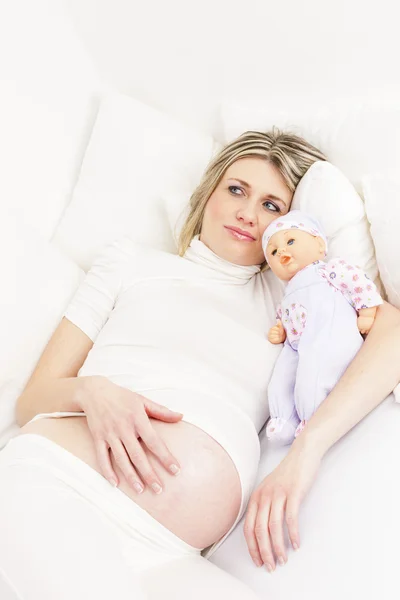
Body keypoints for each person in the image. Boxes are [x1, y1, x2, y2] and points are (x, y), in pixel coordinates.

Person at [0, 129, 400, 599]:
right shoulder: (129, 262)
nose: (248, 214)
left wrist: (305, 453)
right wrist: (94, 391)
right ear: (208, 192)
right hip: (63, 483)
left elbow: (391, 335)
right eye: (237, 190)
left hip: (171, 553)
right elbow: (32, 400)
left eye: (273, 206)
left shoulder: (294, 306)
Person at [261, 210, 384, 445]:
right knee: (282, 375)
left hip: (329, 333)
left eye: (290, 241)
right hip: (297, 344)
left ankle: (313, 416)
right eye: (274, 252)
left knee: (313, 370)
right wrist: (280, 331)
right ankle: (283, 419)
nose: (282, 251)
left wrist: (367, 311)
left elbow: (359, 284)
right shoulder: (286, 293)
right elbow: (284, 317)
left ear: (319, 244)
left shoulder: (328, 270)